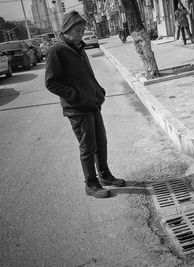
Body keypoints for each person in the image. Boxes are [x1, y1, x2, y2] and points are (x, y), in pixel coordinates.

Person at [45, 11, 126, 198]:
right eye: (78, 30)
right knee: (88, 147)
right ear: (66, 29)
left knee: (101, 142)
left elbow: (87, 76)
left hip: (92, 104)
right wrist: (75, 96)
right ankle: (91, 184)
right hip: (77, 109)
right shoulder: (56, 50)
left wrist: (98, 90)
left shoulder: (78, 47)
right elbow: (51, 82)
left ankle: (105, 175)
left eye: (83, 29)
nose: (82, 33)